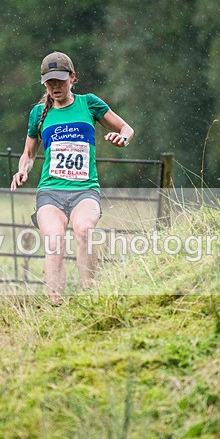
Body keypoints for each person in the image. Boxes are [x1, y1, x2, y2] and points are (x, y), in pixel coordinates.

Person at [10, 51, 134, 303]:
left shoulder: (89, 103)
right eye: (50, 81)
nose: (55, 86)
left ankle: (91, 297)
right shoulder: (38, 114)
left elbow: (126, 128)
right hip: (50, 191)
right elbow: (29, 154)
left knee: (84, 230)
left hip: (85, 190)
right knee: (54, 242)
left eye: (60, 80)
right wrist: (23, 169)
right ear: (44, 82)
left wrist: (123, 140)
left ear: (73, 78)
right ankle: (56, 305)